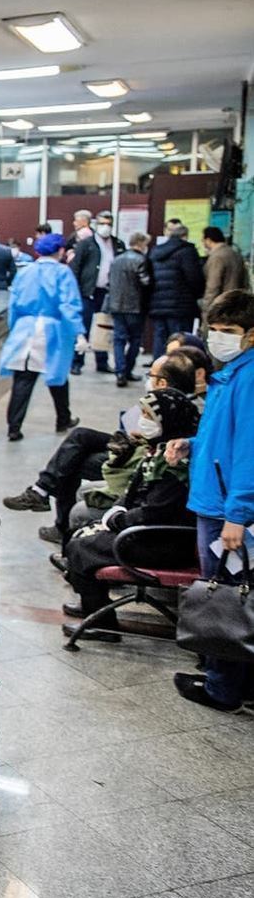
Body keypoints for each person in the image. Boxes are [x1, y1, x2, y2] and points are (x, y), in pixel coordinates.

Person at [166, 289, 254, 711]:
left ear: (251, 334)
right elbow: (223, 438)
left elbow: (249, 452)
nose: (219, 337)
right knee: (232, 592)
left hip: (226, 509)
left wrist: (238, 513)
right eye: (214, 329)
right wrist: (192, 444)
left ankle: (223, 688)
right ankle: (236, 682)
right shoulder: (230, 375)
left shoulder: (248, 379)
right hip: (215, 499)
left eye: (229, 330)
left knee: (227, 598)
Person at [2, 353, 196, 542]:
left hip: (136, 457)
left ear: (162, 382)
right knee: (80, 437)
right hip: (136, 444)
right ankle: (42, 492)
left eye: (151, 375)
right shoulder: (163, 403)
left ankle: (56, 516)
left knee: (73, 460)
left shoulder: (177, 414)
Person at [59, 388, 201, 641]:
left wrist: (117, 521)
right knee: (78, 533)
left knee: (81, 548)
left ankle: (102, 624)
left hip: (165, 542)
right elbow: (134, 492)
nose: (142, 420)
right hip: (147, 532)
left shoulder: (175, 463)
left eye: (148, 415)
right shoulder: (157, 451)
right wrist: (117, 509)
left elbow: (156, 512)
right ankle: (94, 602)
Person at [0, 233, 83, 441]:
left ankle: (13, 427)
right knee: (58, 376)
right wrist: (79, 333)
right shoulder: (63, 273)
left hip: (24, 330)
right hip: (53, 331)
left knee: (23, 379)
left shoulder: (25, 272)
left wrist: (14, 329)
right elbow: (68, 305)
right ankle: (63, 419)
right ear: (60, 251)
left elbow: (14, 305)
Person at [68, 211, 123, 375]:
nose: (105, 227)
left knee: (103, 326)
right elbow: (76, 267)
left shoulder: (117, 244)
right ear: (96, 224)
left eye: (108, 224)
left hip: (107, 292)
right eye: (102, 223)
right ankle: (77, 362)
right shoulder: (87, 244)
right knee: (82, 327)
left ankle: (102, 361)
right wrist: (76, 290)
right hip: (87, 291)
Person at [146, 222, 205, 357]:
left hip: (158, 303)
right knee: (180, 340)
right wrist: (198, 294)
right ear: (185, 236)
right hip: (181, 304)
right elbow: (194, 278)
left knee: (160, 337)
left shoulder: (155, 251)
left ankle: (159, 365)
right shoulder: (187, 251)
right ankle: (176, 366)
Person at [106, 231, 152, 387]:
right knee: (135, 339)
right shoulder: (141, 260)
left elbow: (109, 281)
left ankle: (119, 371)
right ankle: (127, 370)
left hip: (116, 305)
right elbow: (145, 282)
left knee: (119, 340)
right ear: (141, 243)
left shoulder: (116, 260)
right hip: (135, 307)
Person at [201, 227, 249, 319]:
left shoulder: (217, 257)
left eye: (203, 240)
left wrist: (207, 311)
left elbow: (213, 287)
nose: (203, 243)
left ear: (208, 240)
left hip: (221, 307)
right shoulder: (234, 253)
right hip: (236, 304)